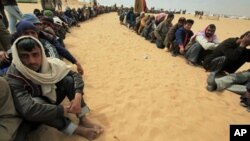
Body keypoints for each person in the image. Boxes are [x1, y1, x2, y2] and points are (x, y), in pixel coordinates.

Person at [5, 36, 103, 140]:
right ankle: (76, 130)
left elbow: (75, 75)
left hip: (51, 100)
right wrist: (63, 110)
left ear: (42, 53)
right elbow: (29, 110)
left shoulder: (49, 64)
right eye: (25, 56)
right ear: (17, 57)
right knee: (37, 103)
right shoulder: (13, 77)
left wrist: (78, 96)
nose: (32, 61)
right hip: (34, 114)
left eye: (35, 54)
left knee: (68, 80)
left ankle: (83, 118)